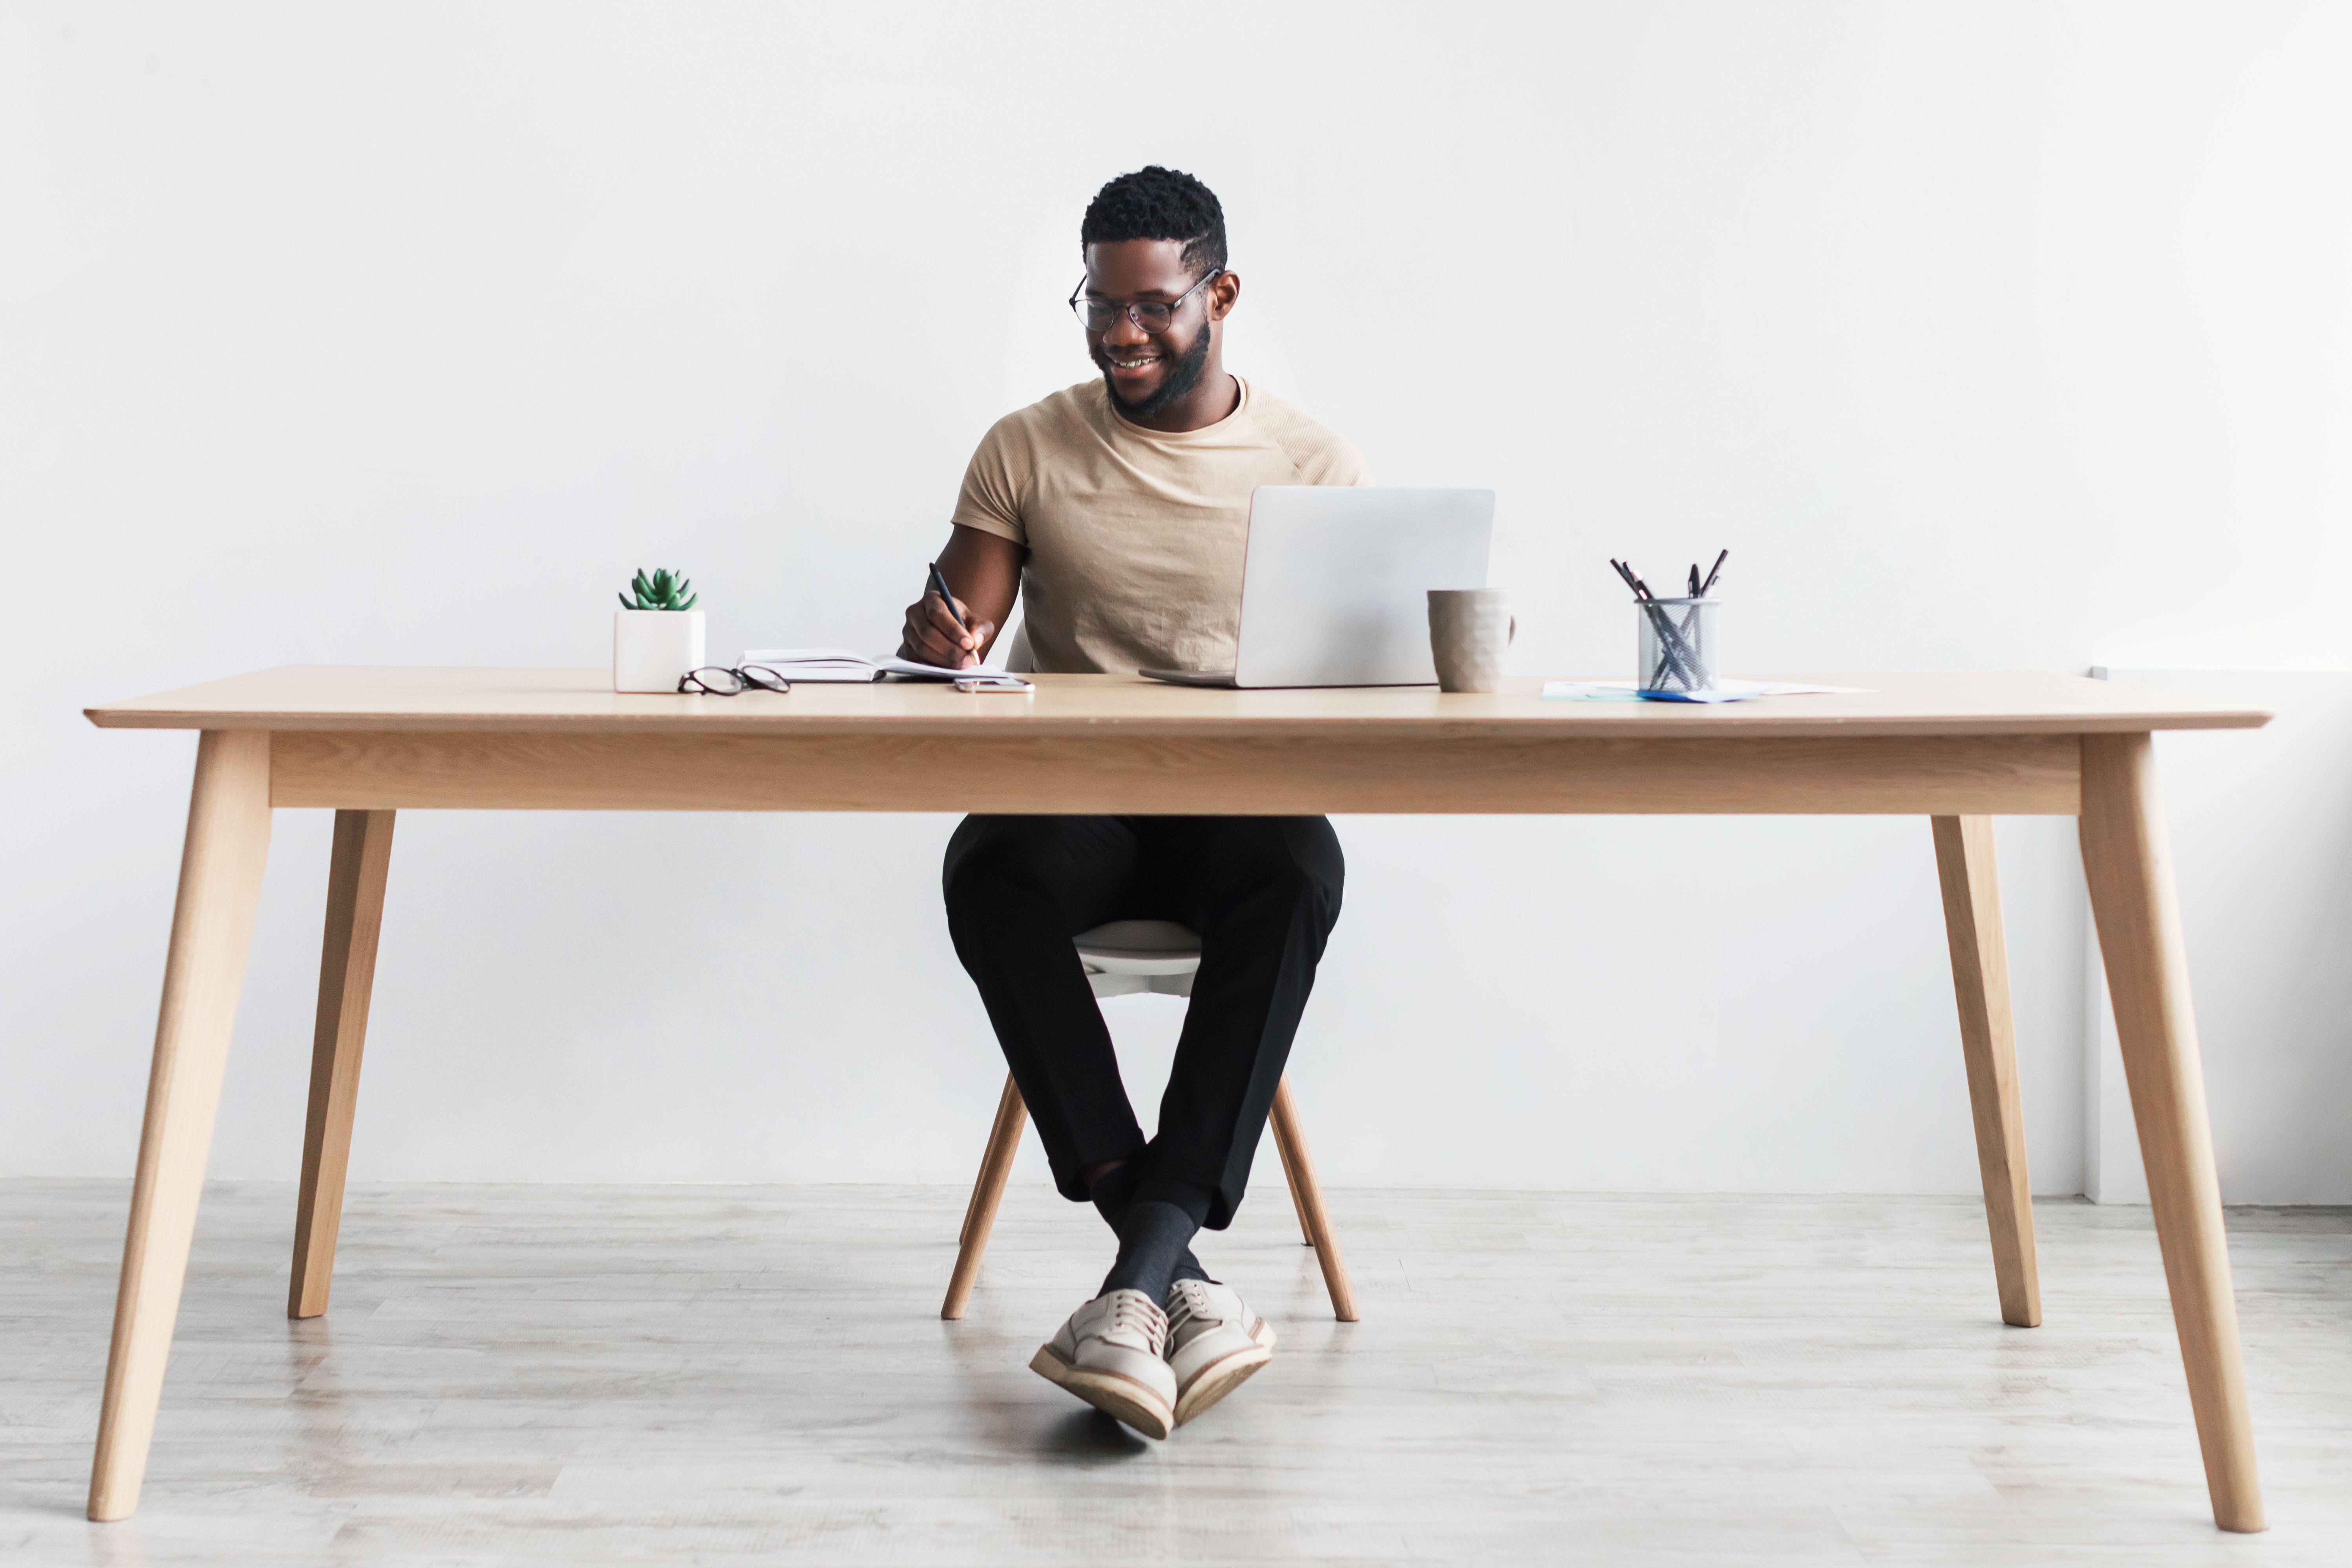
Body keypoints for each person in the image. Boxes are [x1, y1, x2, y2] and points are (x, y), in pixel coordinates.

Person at [899, 166, 1367, 1439]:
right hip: (1080, 808)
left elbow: (1357, 681)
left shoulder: (1313, 461)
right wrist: (941, 639)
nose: (1120, 332)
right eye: (1098, 304)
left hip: (1237, 813)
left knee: (1303, 872)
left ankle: (1133, 1282)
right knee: (986, 868)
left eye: (1152, 306)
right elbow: (963, 628)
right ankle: (1172, 1273)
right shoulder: (1026, 445)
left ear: (1218, 295)